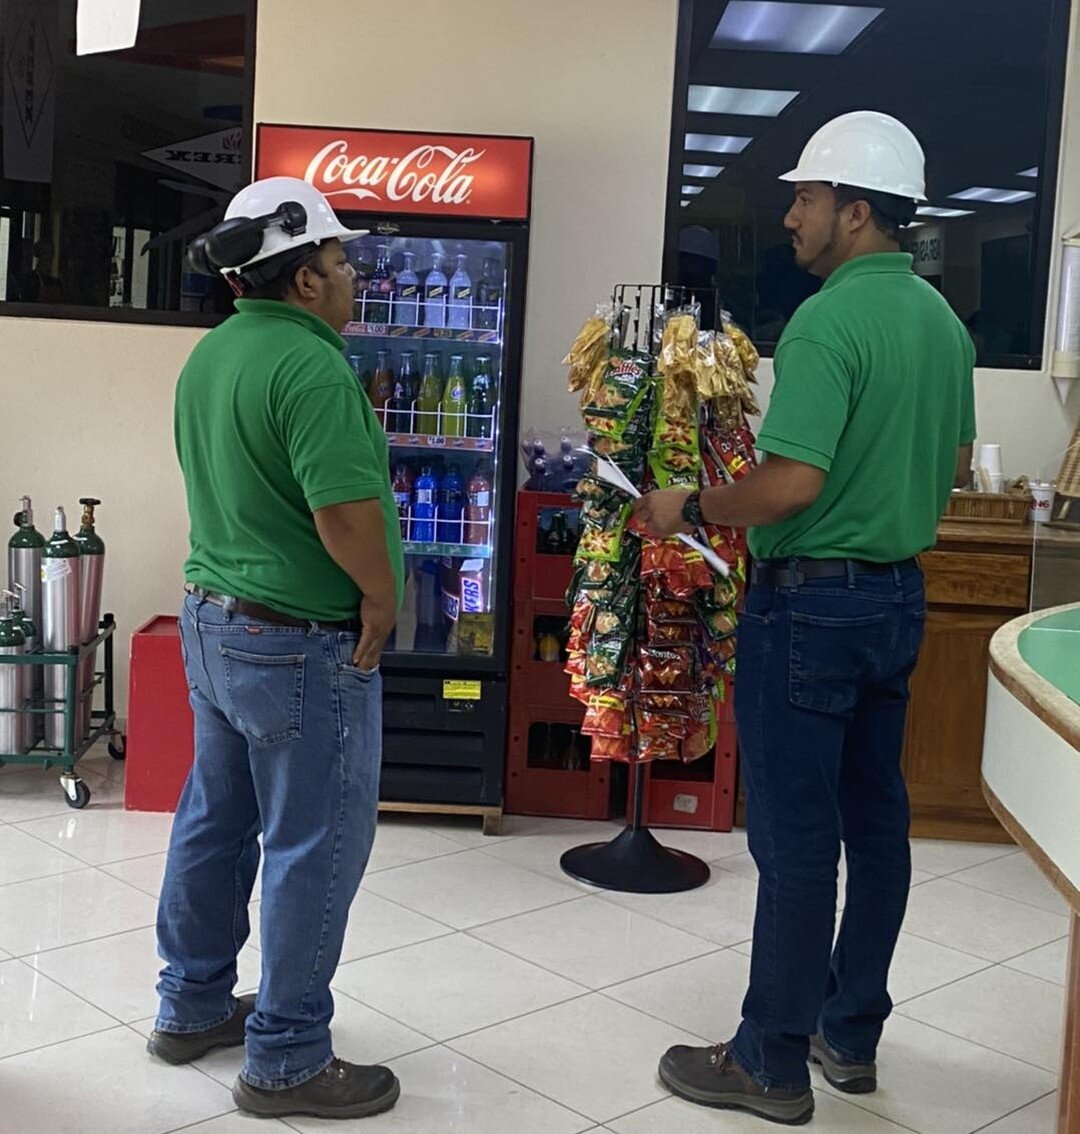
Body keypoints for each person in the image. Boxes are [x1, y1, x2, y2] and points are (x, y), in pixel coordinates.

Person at [634, 111, 976, 1125]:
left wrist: (687, 506)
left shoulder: (830, 321)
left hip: (812, 602)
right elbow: (954, 468)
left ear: (856, 212)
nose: (789, 218)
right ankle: (846, 1031)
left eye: (806, 199)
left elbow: (787, 486)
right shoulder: (942, 325)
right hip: (897, 600)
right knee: (875, 827)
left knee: (793, 840)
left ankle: (769, 1061)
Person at [146, 176, 404, 1122]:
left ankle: (192, 1005)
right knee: (314, 840)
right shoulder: (314, 369)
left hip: (214, 623)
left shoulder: (212, 357)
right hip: (299, 641)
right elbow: (341, 514)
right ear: (301, 280)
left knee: (215, 820)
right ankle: (289, 1056)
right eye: (339, 262)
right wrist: (380, 598)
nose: (349, 278)